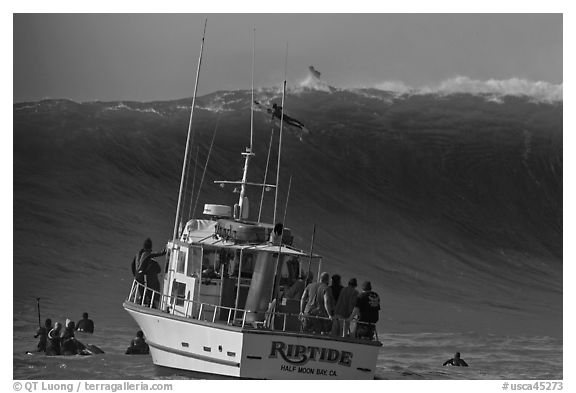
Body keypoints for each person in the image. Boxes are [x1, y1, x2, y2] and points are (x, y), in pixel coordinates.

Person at [131, 238, 166, 307]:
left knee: (141, 291)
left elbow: (132, 264)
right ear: (149, 248)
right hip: (141, 276)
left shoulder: (138, 253)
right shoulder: (146, 254)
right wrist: (162, 253)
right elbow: (153, 254)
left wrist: (134, 275)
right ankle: (147, 303)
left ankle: (142, 302)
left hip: (137, 276)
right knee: (145, 290)